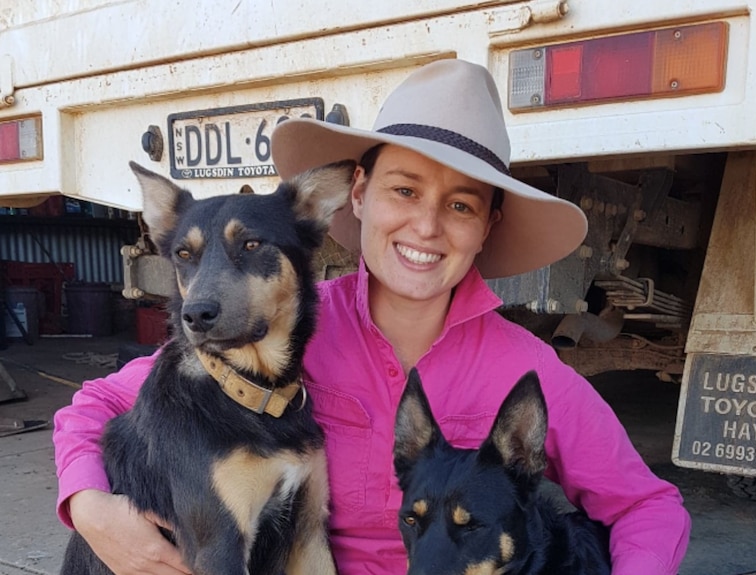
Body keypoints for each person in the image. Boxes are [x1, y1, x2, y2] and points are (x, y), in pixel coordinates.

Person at [53, 59, 691, 575]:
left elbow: (647, 507)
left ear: (487, 226)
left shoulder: (524, 367)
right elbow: (95, 408)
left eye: (461, 206)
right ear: (358, 196)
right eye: (404, 190)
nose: (426, 226)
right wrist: (89, 507)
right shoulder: (284, 329)